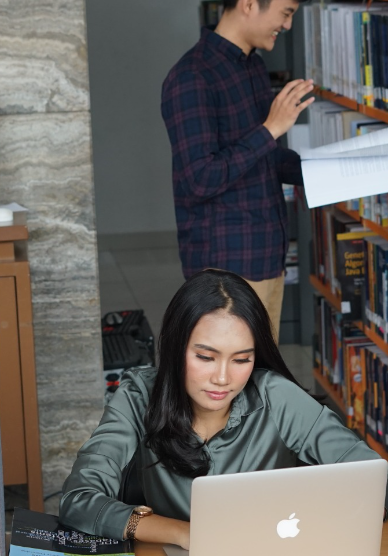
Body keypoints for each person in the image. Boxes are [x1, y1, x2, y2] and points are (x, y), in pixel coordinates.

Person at [58, 269, 388, 549]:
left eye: (242, 359)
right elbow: (78, 500)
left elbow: (372, 481)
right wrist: (187, 534)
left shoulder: (277, 396)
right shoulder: (139, 394)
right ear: (176, 347)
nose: (222, 378)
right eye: (205, 357)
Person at [160, 0, 313, 341]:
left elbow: (264, 157)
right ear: (247, 4)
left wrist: (328, 171)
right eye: (286, 13)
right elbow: (200, 178)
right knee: (231, 384)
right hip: (227, 271)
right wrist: (270, 129)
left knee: (261, 379)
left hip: (269, 255)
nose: (287, 26)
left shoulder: (253, 68)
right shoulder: (191, 77)